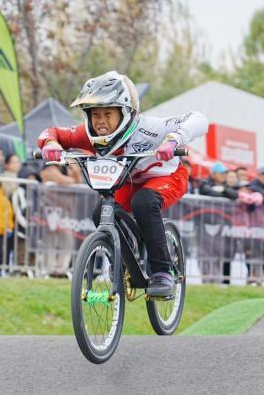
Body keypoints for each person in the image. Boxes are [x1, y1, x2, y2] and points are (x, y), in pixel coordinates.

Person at [38, 70, 208, 297]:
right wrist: (50, 144)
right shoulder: (88, 135)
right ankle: (126, 257)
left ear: (126, 112)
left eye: (108, 113)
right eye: (95, 114)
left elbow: (199, 119)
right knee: (101, 213)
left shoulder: (150, 128)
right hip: (127, 181)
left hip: (166, 177)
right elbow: (52, 132)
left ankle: (162, 272)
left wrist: (174, 140)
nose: (100, 121)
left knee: (144, 202)